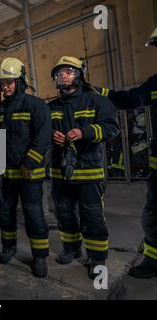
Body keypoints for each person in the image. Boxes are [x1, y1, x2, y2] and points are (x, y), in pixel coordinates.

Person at [48, 56, 120, 279]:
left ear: (79, 75)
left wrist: (85, 132)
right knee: (64, 214)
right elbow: (41, 134)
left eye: (68, 71)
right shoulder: (50, 107)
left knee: (92, 216)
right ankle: (71, 249)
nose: (63, 76)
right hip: (61, 174)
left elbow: (111, 128)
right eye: (59, 73)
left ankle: (97, 258)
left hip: (89, 172)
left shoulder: (95, 101)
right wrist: (53, 137)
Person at [95, 27, 157, 278]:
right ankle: (153, 262)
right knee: (153, 216)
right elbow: (131, 99)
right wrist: (101, 93)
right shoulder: (155, 83)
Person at [0, 57, 52, 278]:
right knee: (5, 213)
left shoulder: (36, 105)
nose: (5, 87)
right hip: (6, 176)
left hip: (29, 175)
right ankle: (9, 247)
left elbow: (43, 137)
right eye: (2, 83)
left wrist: (30, 162)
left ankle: (40, 257)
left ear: (20, 81)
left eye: (9, 82)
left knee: (33, 214)